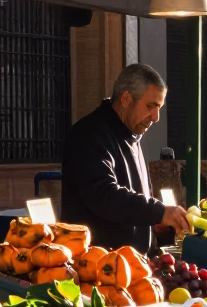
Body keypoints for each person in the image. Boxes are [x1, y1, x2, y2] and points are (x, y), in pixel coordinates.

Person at [61, 64, 191, 251]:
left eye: (159, 108)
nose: (156, 117)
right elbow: (104, 195)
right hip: (95, 265)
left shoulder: (133, 134)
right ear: (126, 99)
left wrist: (158, 225)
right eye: (150, 106)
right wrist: (160, 212)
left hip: (132, 265)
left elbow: (136, 199)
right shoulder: (89, 134)